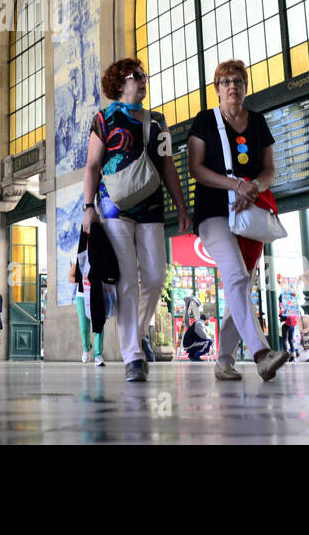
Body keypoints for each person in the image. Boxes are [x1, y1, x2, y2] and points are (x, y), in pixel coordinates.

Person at [81, 57, 190, 383]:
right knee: (127, 281)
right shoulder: (104, 118)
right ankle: (133, 356)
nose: (143, 81)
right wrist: (89, 207)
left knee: (156, 276)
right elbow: (91, 166)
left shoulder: (159, 122)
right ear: (119, 84)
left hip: (152, 209)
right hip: (114, 208)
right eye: (136, 76)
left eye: (144, 75)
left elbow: (169, 167)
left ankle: (136, 333)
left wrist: (181, 207)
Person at [184, 58, 290, 383]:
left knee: (238, 283)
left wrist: (253, 187)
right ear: (217, 89)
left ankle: (225, 360)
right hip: (214, 211)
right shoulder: (204, 121)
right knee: (236, 276)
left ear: (245, 87)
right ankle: (261, 354)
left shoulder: (257, 122)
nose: (233, 86)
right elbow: (196, 168)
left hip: (249, 214)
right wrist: (234, 185)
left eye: (239, 81)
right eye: (226, 81)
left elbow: (270, 169)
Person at [70, 239, 104, 365]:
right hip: (82, 295)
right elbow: (70, 276)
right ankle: (86, 348)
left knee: (98, 324)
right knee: (84, 327)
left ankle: (98, 354)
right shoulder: (78, 257)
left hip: (97, 294)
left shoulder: (100, 255)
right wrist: (82, 282)